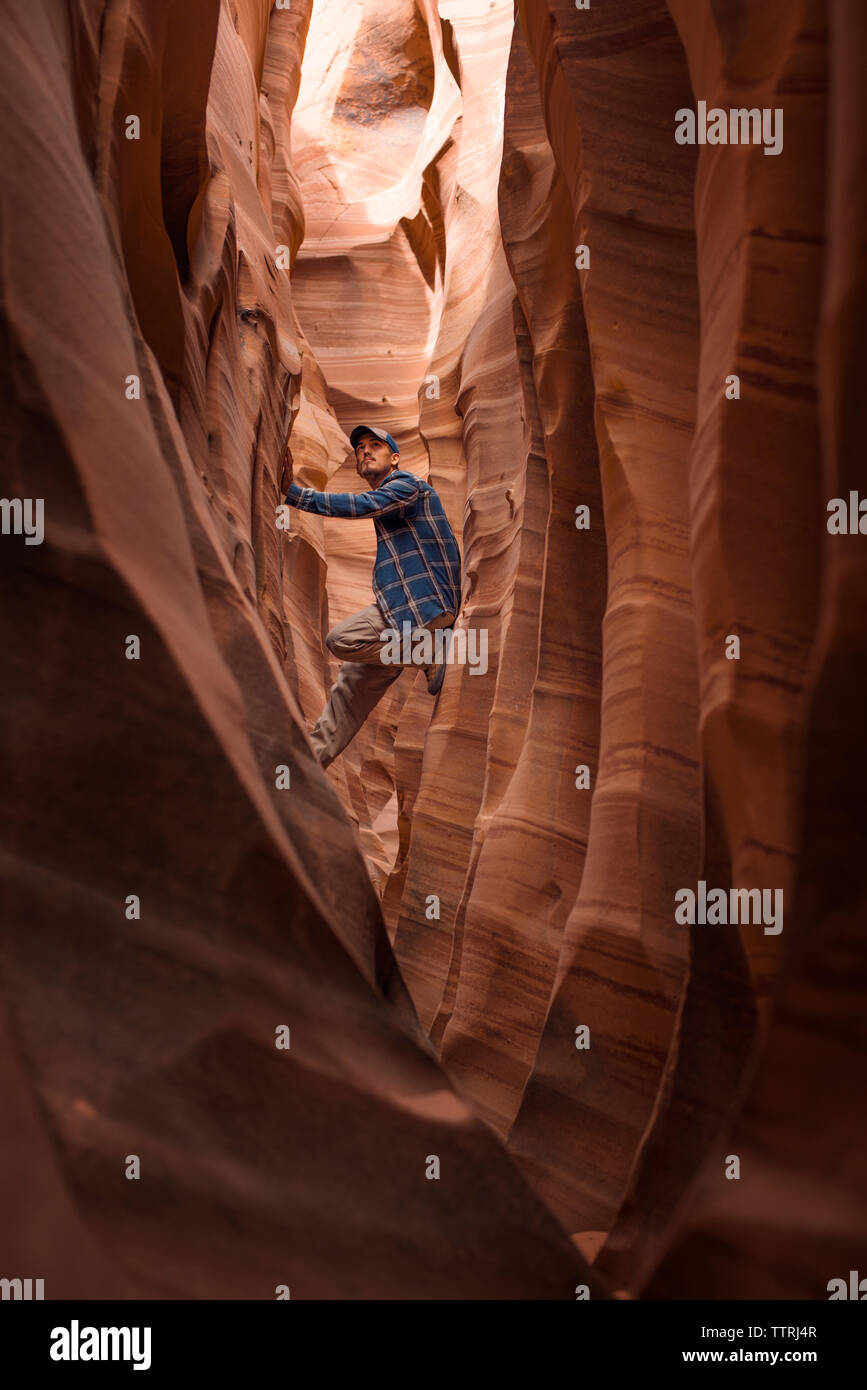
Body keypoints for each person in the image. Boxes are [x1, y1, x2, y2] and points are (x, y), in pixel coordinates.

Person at [281, 425, 462, 770]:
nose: (365, 450)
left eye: (375, 445)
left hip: (423, 610)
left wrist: (295, 495)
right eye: (360, 447)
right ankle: (303, 768)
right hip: (400, 617)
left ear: (395, 458)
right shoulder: (391, 506)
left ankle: (430, 650)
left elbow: (364, 504)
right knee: (348, 690)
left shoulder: (408, 485)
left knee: (341, 639)